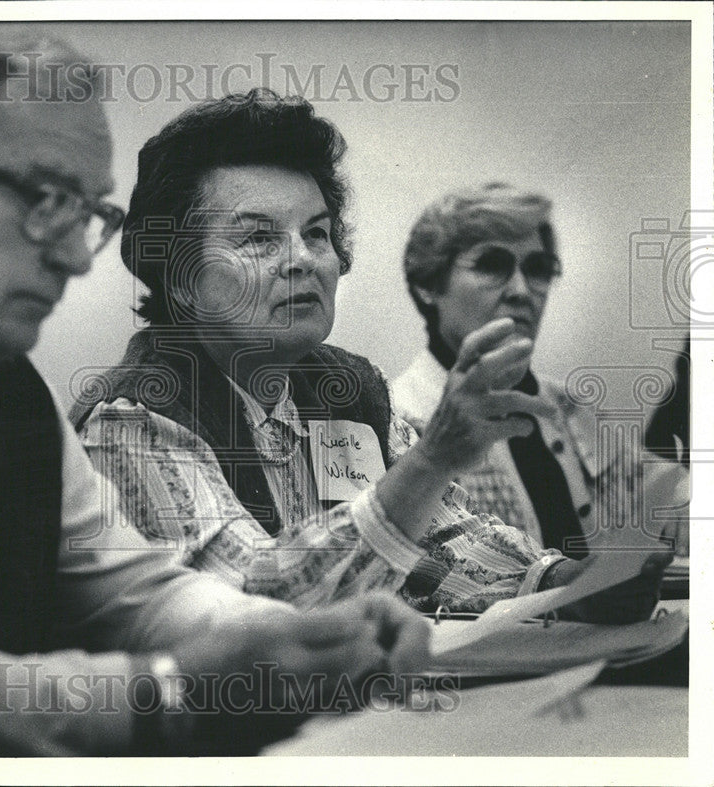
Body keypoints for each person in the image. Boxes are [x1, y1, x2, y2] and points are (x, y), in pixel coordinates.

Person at [0, 25, 430, 758]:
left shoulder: (5, 384)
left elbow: (133, 591)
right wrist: (166, 689)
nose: (73, 257)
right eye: (46, 199)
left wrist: (301, 635)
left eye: (91, 214)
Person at [69, 90, 668, 619]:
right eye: (257, 237)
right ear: (176, 276)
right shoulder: (134, 416)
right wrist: (430, 462)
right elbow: (251, 605)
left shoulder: (350, 388)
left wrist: (567, 583)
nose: (302, 259)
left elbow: (441, 543)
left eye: (317, 233)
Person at [391, 183, 688, 563]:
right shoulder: (400, 418)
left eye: (537, 269)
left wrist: (684, 496)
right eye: (491, 265)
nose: (521, 291)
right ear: (428, 284)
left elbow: (659, 486)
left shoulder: (567, 405)